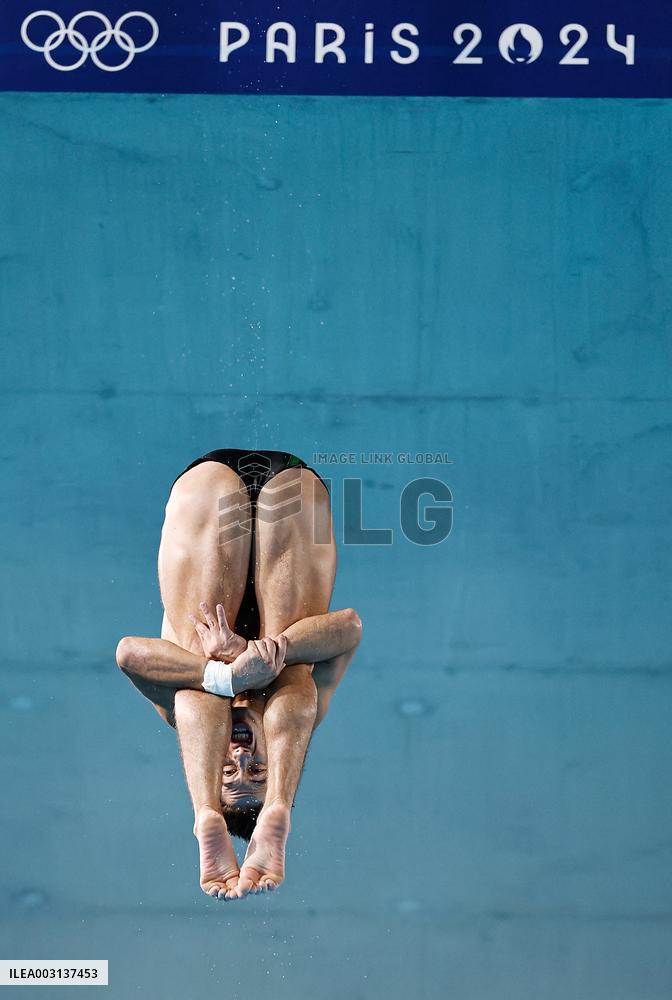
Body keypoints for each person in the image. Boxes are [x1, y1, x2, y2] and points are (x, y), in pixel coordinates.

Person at [115, 449, 362, 900]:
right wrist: (262, 654)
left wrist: (223, 677)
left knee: (194, 685)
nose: (241, 756)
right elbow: (349, 628)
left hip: (208, 492)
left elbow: (129, 653)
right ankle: (278, 808)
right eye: (258, 769)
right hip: (291, 495)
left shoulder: (179, 714)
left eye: (228, 770)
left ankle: (205, 812)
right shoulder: (306, 705)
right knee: (291, 680)